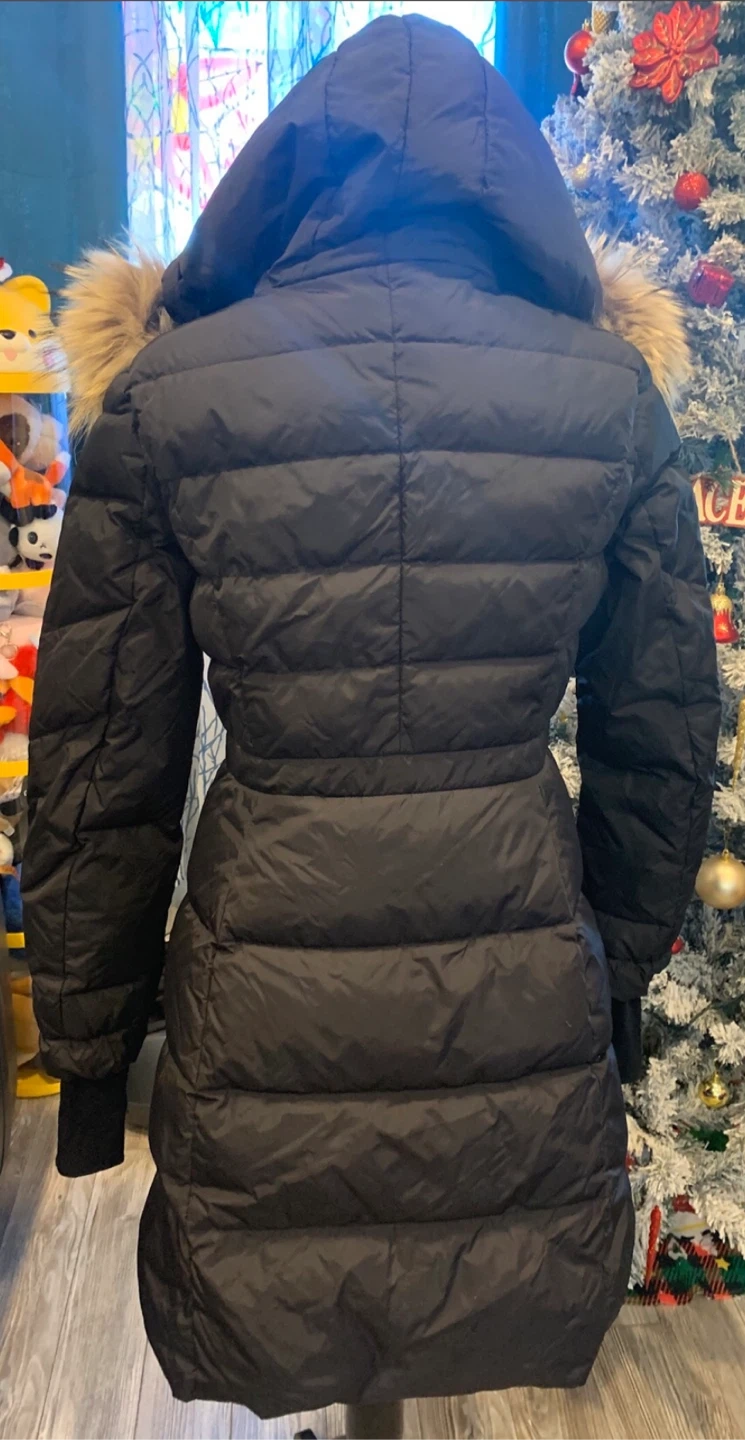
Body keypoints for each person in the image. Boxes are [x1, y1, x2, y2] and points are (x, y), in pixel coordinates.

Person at [24, 14, 719, 1440]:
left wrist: (90, 1050)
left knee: (293, 1265)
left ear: (283, 177)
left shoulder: (169, 400)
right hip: (511, 947)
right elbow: (658, 732)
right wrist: (619, 971)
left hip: (268, 961)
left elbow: (98, 764)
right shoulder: (607, 398)